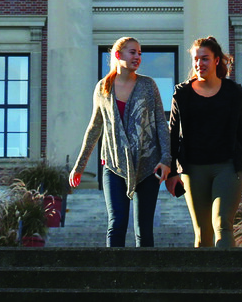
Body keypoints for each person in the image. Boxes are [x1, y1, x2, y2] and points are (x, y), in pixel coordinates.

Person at [69, 36, 171, 246]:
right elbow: (94, 128)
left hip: (147, 165)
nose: (138, 57)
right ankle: (112, 277)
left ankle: (145, 277)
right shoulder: (103, 88)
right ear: (118, 55)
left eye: (140, 53)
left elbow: (161, 122)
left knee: (144, 229)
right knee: (116, 224)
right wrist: (79, 166)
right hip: (114, 165)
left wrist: (167, 159)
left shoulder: (148, 85)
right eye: (132, 52)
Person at [166, 35, 242, 248]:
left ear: (217, 60)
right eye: (196, 59)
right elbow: (172, 134)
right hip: (193, 169)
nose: (200, 64)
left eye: (205, 58)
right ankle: (204, 281)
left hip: (227, 167)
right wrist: (172, 172)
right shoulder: (182, 94)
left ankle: (227, 280)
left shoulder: (233, 93)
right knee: (202, 233)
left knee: (222, 223)